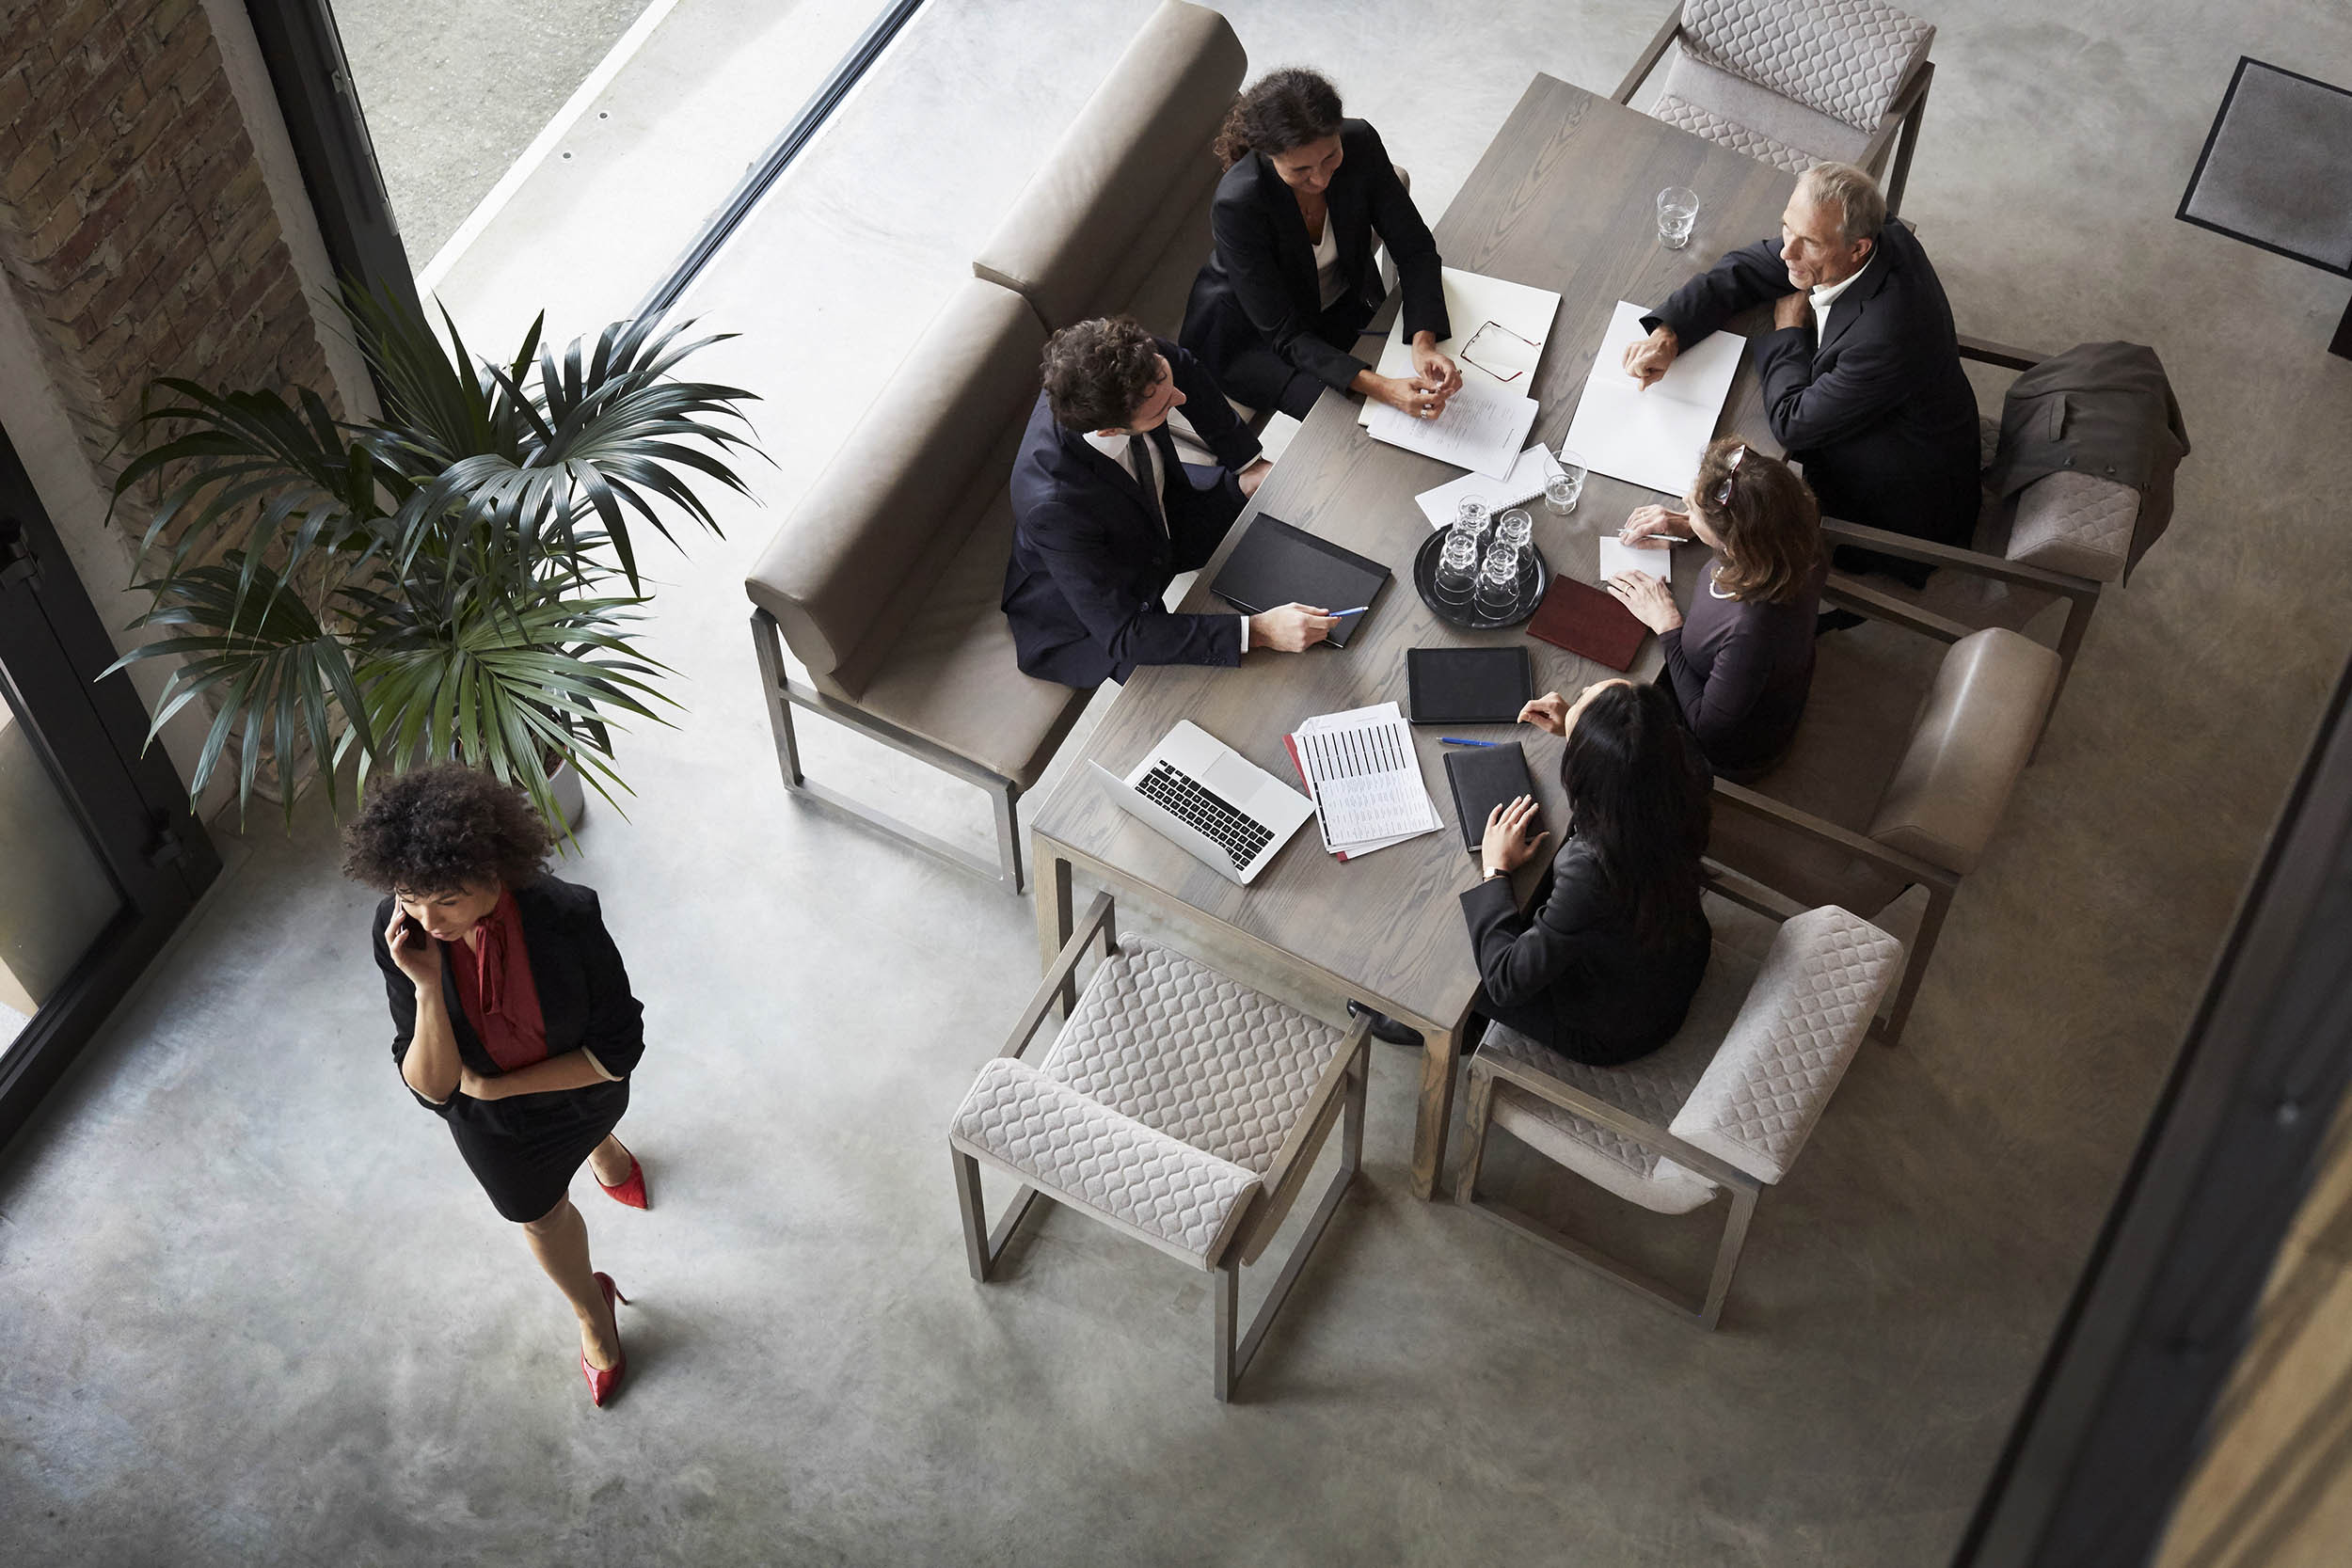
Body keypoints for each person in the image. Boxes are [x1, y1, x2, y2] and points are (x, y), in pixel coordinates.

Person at [345, 765, 649, 1408]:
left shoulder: (568, 915)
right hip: (503, 1134)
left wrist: (497, 1088)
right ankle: (595, 1311)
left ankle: (603, 1147)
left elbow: (618, 1051)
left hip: (582, 1093)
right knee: (539, 1214)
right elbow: (434, 1089)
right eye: (410, 895)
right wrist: (426, 984)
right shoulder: (401, 933)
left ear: (494, 872)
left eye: (448, 899)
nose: (429, 918)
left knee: (597, 1109)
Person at [1620, 162, 1979, 587]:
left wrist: (1789, 332)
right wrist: (1670, 334)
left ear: (1858, 249)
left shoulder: (1888, 336)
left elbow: (1794, 425)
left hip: (1896, 506)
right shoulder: (1861, 233)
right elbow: (1748, 266)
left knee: (1746, 465)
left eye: (1807, 243)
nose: (1787, 252)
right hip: (1894, 415)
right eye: (1787, 228)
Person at [1004, 315, 1334, 688]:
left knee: (1294, 507)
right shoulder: (1053, 505)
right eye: (1162, 410)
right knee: (1203, 689)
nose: (1179, 400)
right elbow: (1126, 635)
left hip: (1166, 513)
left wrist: (1249, 463)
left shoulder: (1133, 359)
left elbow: (1184, 369)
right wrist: (1256, 631)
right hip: (1099, 601)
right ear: (1110, 429)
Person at [1180, 68, 1460, 422]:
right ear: (1269, 155)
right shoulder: (1239, 203)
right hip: (1252, 337)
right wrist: (1383, 388)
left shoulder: (1360, 141)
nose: (1321, 178)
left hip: (1333, 305)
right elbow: (1285, 334)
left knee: (1435, 377)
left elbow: (1415, 248)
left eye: (1330, 157)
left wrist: (1424, 343)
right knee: (1349, 423)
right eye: (1301, 170)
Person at [1463, 679, 1714, 1066]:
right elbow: (1632, 764)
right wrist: (1584, 733)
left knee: (1459, 967)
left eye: (1582, 699)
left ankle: (1451, 1028)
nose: (1575, 694)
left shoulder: (1593, 870)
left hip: (1610, 1027)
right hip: (1673, 958)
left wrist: (1495, 870)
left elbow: (1506, 981)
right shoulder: (1683, 771)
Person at [1605, 438, 1829, 782]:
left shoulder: (1750, 632)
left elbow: (1704, 726)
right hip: (1765, 675)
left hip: (1733, 747)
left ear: (1733, 541)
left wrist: (1668, 626)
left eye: (1692, 508)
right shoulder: (1792, 534)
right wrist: (1690, 525)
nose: (1682, 502)